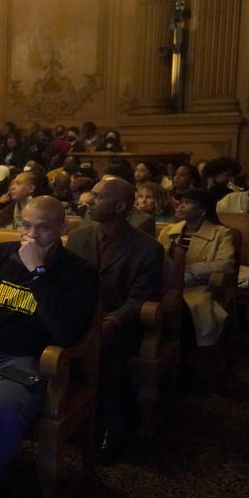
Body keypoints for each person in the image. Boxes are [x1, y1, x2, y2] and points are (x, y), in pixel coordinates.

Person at [0, 197, 97, 498]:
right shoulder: (0, 255)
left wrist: (38, 272)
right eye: (26, 225)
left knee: (3, 411)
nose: (32, 234)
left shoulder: (79, 272)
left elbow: (66, 334)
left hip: (25, 359)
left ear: (62, 229)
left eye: (43, 228)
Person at [65, 178, 163, 464]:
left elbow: (139, 300)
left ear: (120, 206)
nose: (89, 200)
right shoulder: (79, 236)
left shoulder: (147, 249)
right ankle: (62, 412)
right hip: (82, 316)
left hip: (118, 323)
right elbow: (67, 282)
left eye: (97, 196)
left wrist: (112, 321)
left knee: (108, 349)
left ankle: (113, 426)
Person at [157, 189, 235, 347]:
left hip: (199, 285)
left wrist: (187, 269)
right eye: (181, 202)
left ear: (202, 210)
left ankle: (187, 351)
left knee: (188, 307)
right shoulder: (169, 231)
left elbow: (226, 264)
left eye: (188, 203)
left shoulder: (222, 233)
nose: (180, 206)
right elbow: (155, 257)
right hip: (166, 283)